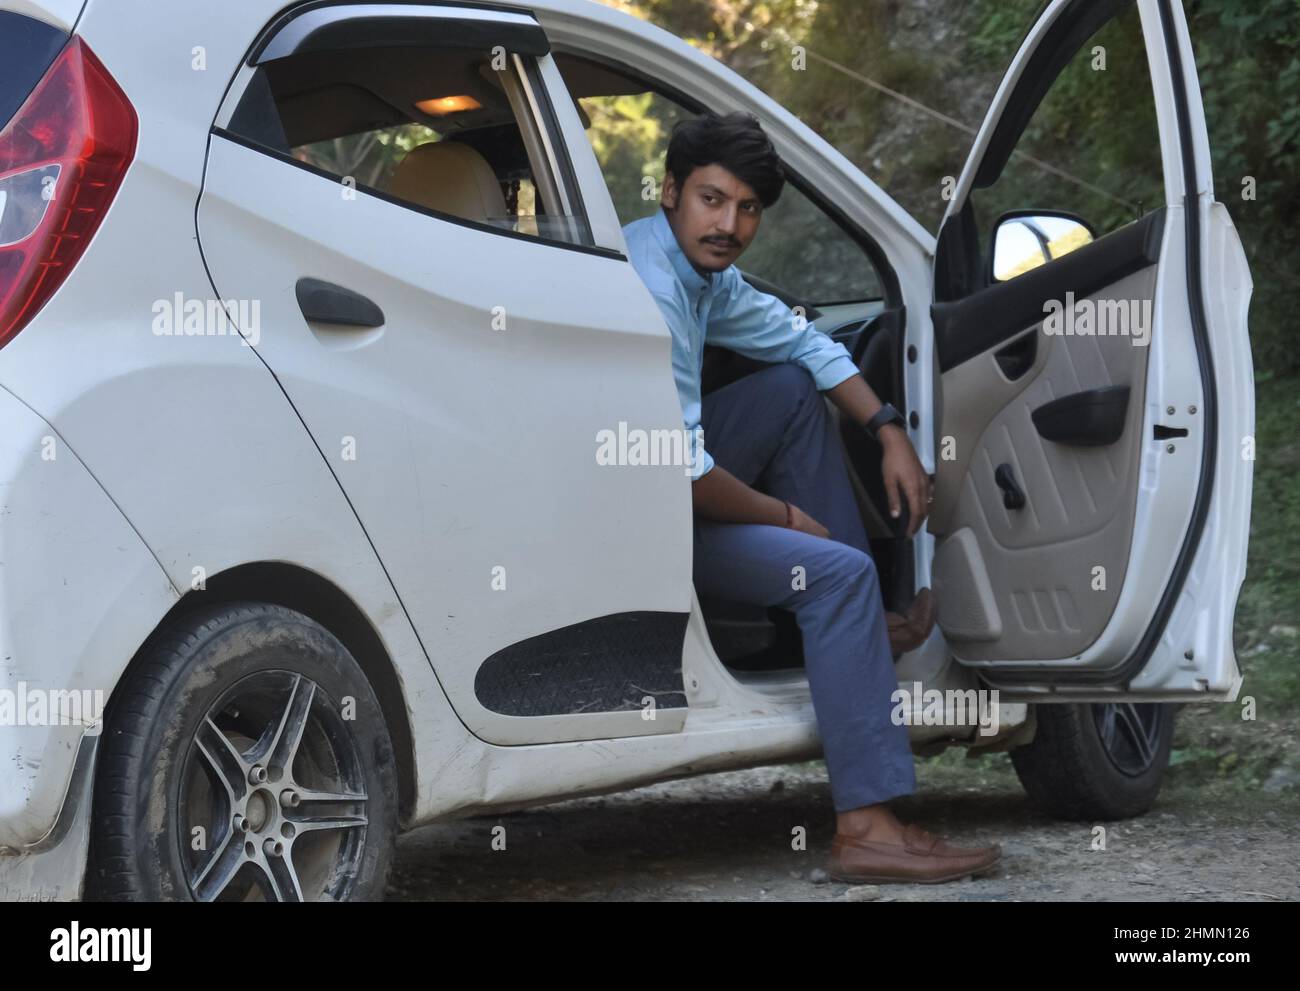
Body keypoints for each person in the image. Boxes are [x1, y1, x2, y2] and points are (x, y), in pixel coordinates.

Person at [623, 111, 1001, 884]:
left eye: (749, 208)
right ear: (669, 192)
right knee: (837, 574)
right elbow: (684, 474)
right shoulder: (655, 290)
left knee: (793, 389)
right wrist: (786, 518)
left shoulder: (703, 276)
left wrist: (889, 427)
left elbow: (801, 341)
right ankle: (866, 825)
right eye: (711, 200)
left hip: (651, 479)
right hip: (635, 516)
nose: (730, 224)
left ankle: (868, 630)